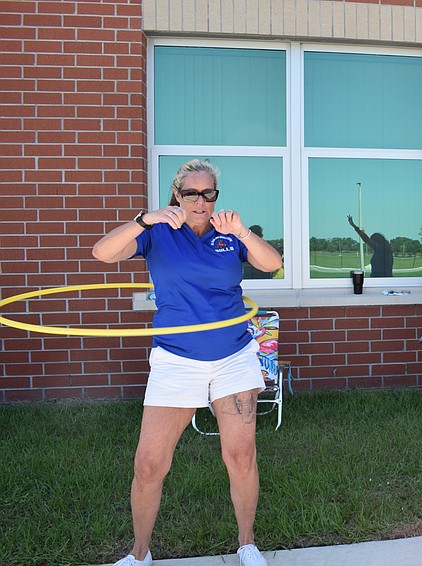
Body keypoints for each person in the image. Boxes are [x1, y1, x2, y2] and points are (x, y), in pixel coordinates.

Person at [92, 159, 282, 566]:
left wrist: (243, 231)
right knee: (149, 464)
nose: (200, 200)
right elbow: (102, 253)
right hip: (176, 360)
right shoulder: (159, 233)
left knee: (241, 455)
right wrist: (144, 219)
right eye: (191, 192)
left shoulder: (228, 234)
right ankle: (139, 553)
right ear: (177, 195)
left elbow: (272, 263)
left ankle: (247, 544)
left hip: (233, 357)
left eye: (208, 193)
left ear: (216, 198)